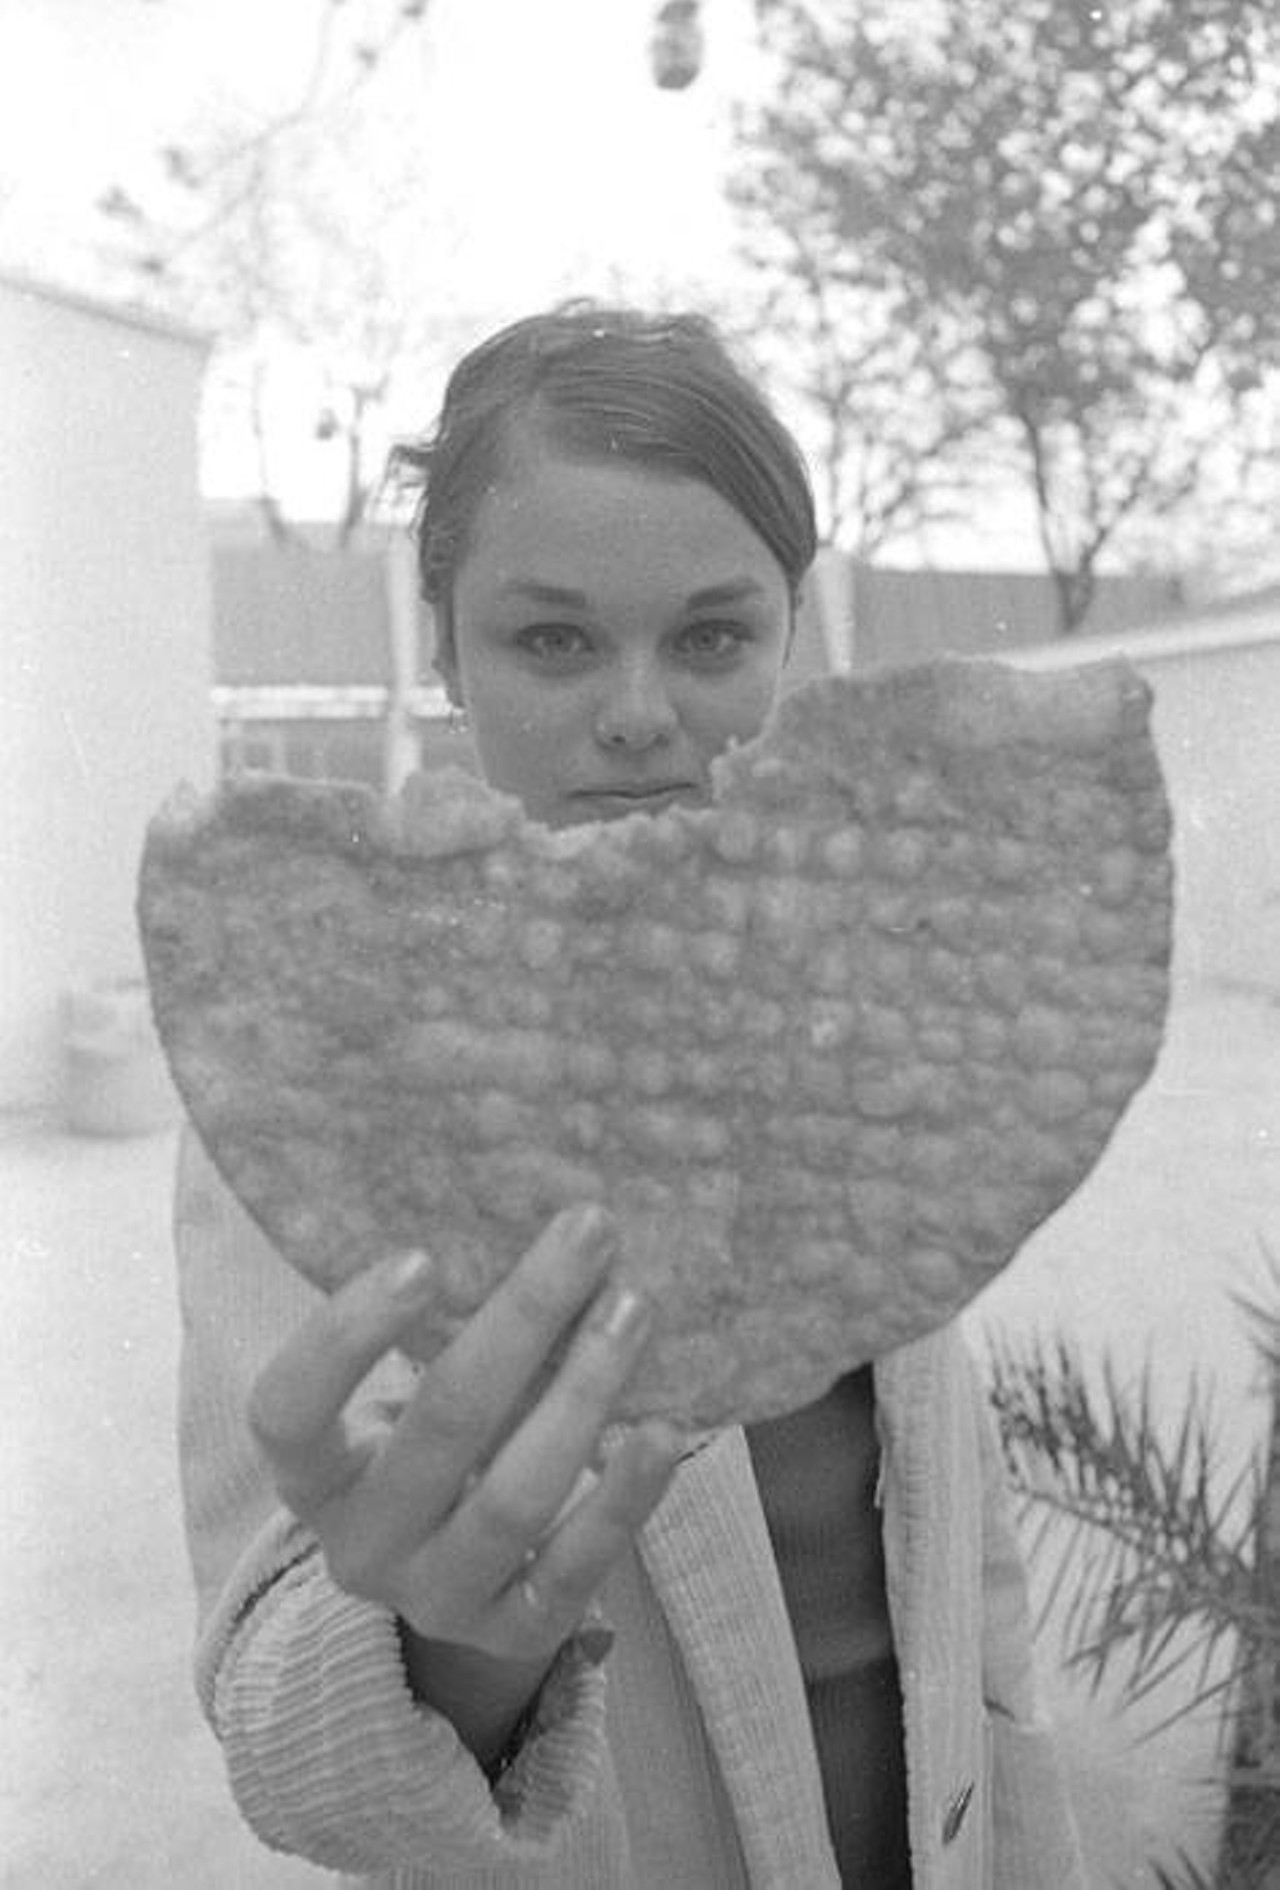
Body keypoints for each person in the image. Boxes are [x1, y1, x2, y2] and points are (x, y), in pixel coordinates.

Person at [176, 302, 1088, 1887]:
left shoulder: (870, 1005)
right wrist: (454, 1650)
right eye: (554, 638)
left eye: (713, 635)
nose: (642, 712)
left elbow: (961, 1553)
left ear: (793, 635)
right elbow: (285, 1736)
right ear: (446, 643)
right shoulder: (323, 1066)